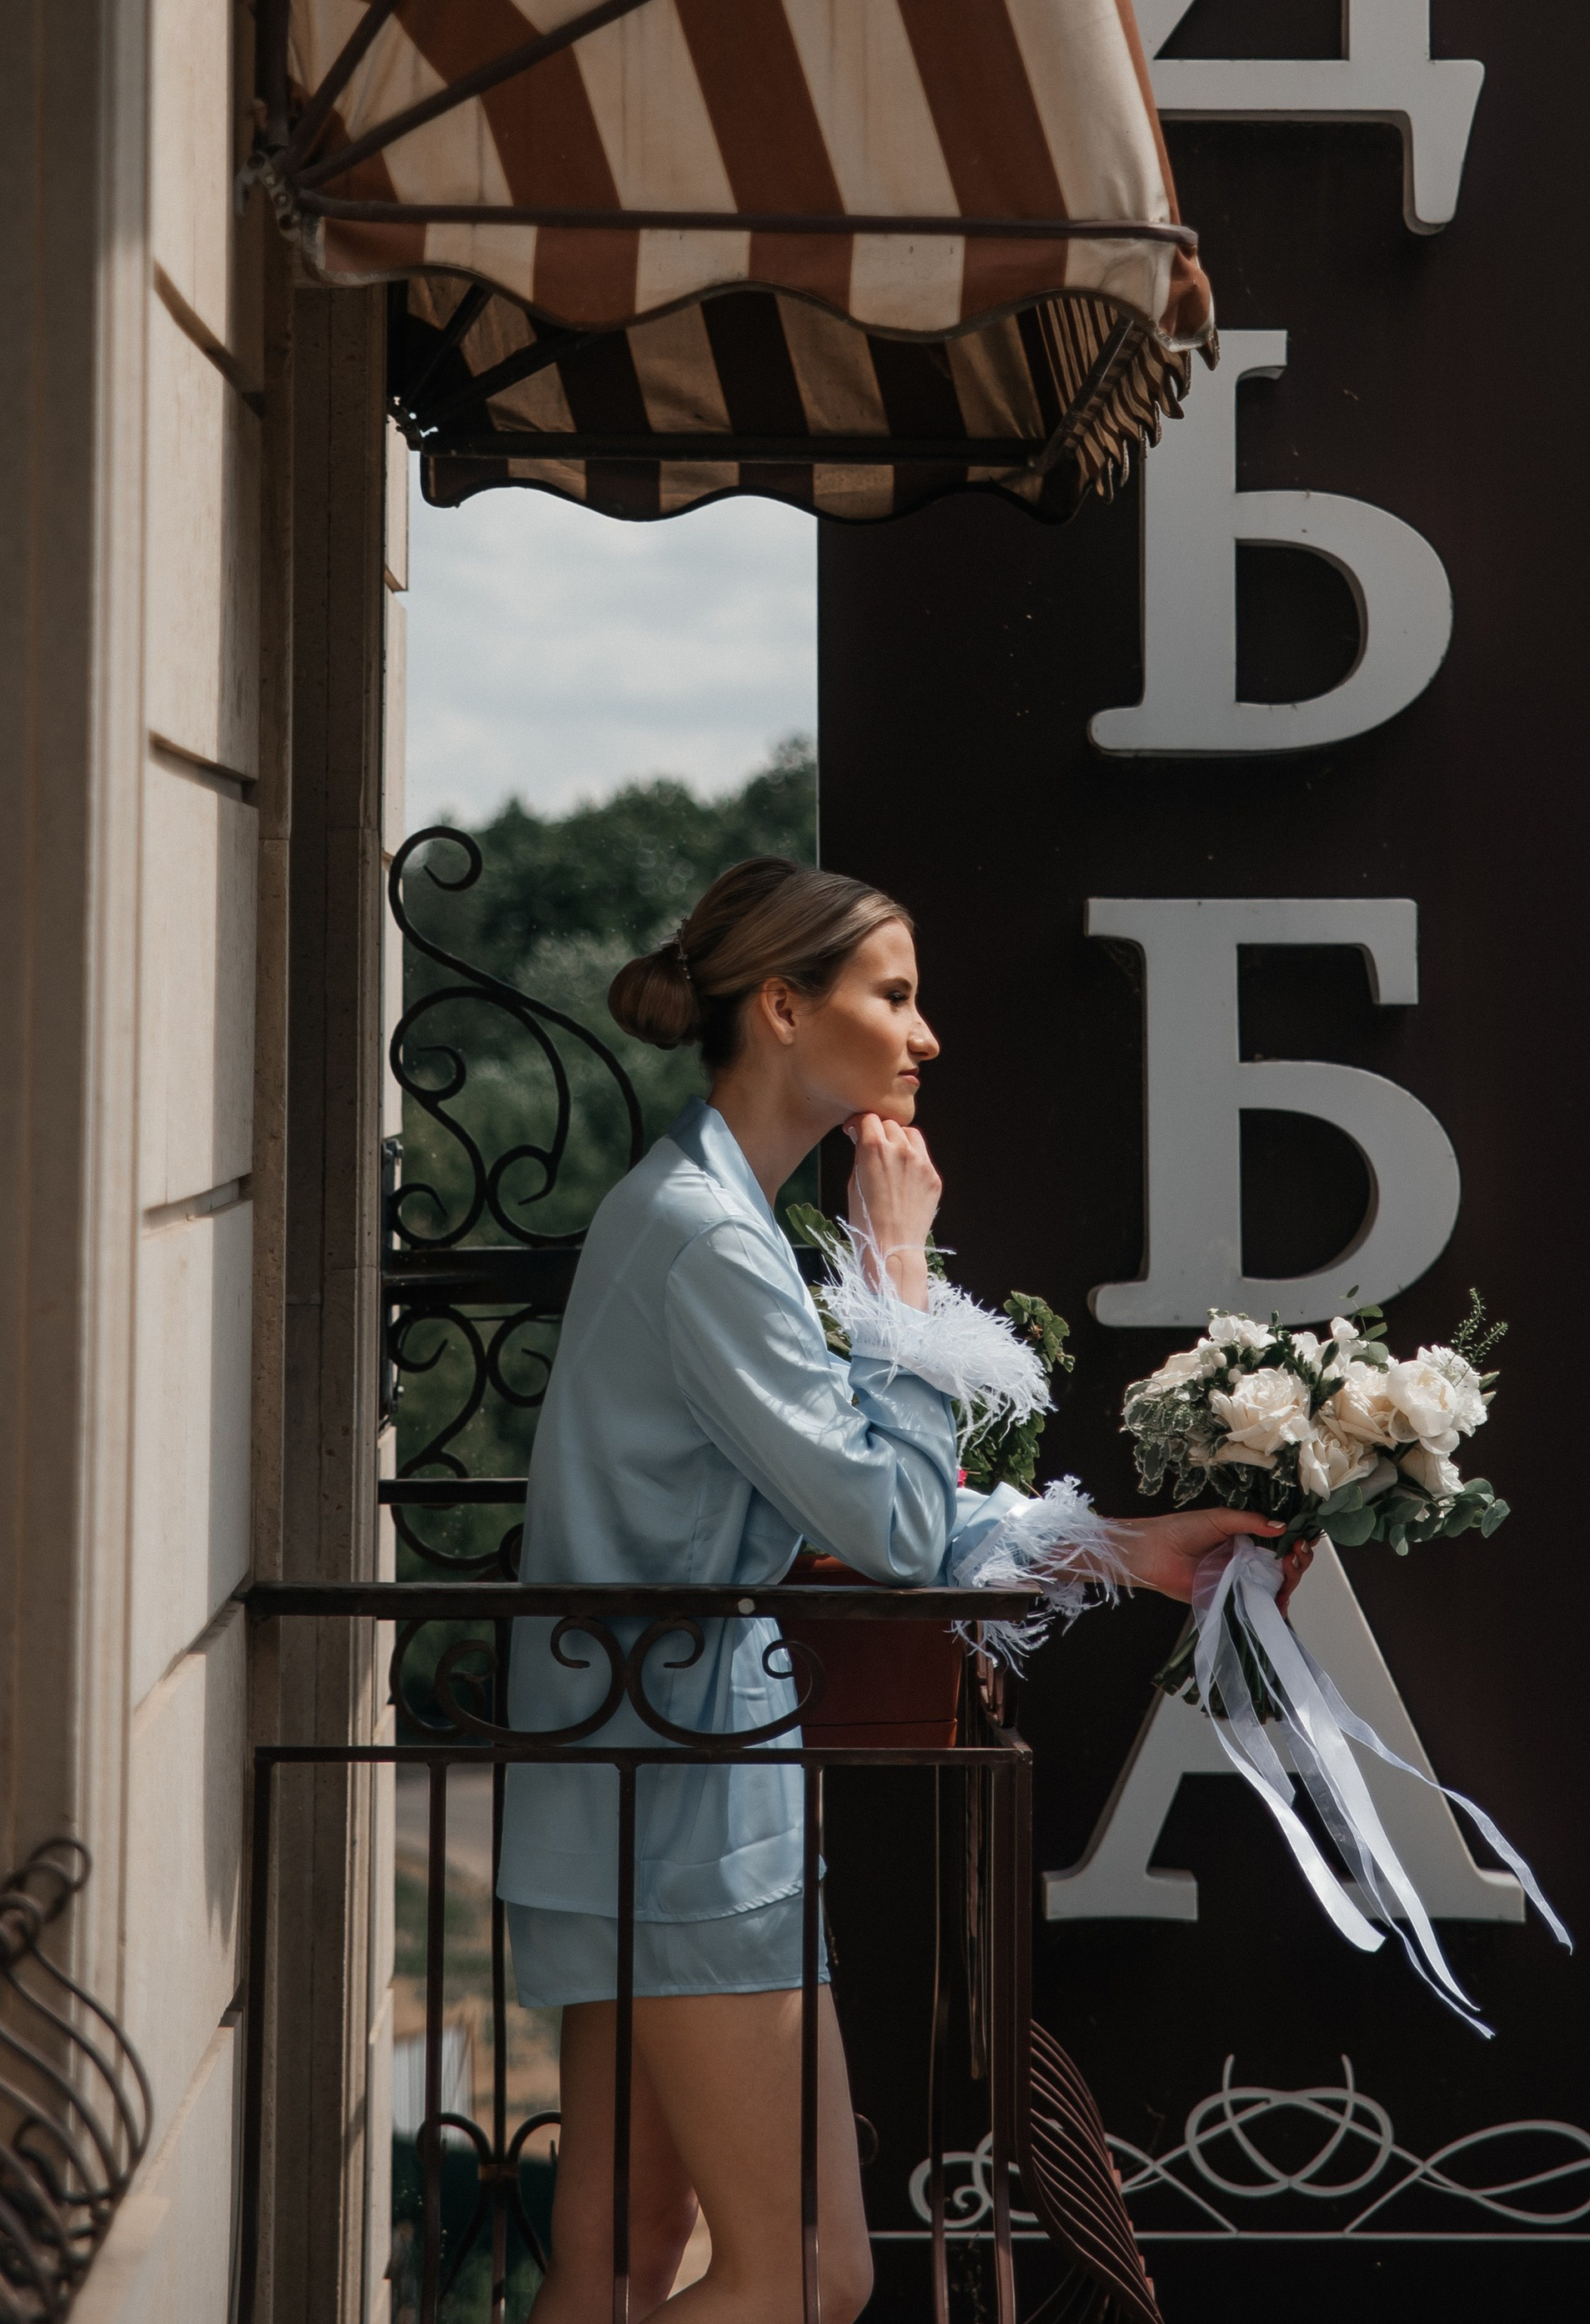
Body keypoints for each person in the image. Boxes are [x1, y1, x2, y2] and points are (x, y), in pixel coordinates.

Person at [502, 858, 1292, 2324]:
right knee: (807, 2275)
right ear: (787, 1006)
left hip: (636, 1762)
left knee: (617, 2263)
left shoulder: (706, 1209)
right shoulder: (710, 1236)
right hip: (682, 1782)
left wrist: (1121, 1545)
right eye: (897, 996)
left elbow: (851, 1507)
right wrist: (900, 1274)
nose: (927, 1037)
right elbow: (889, 1529)